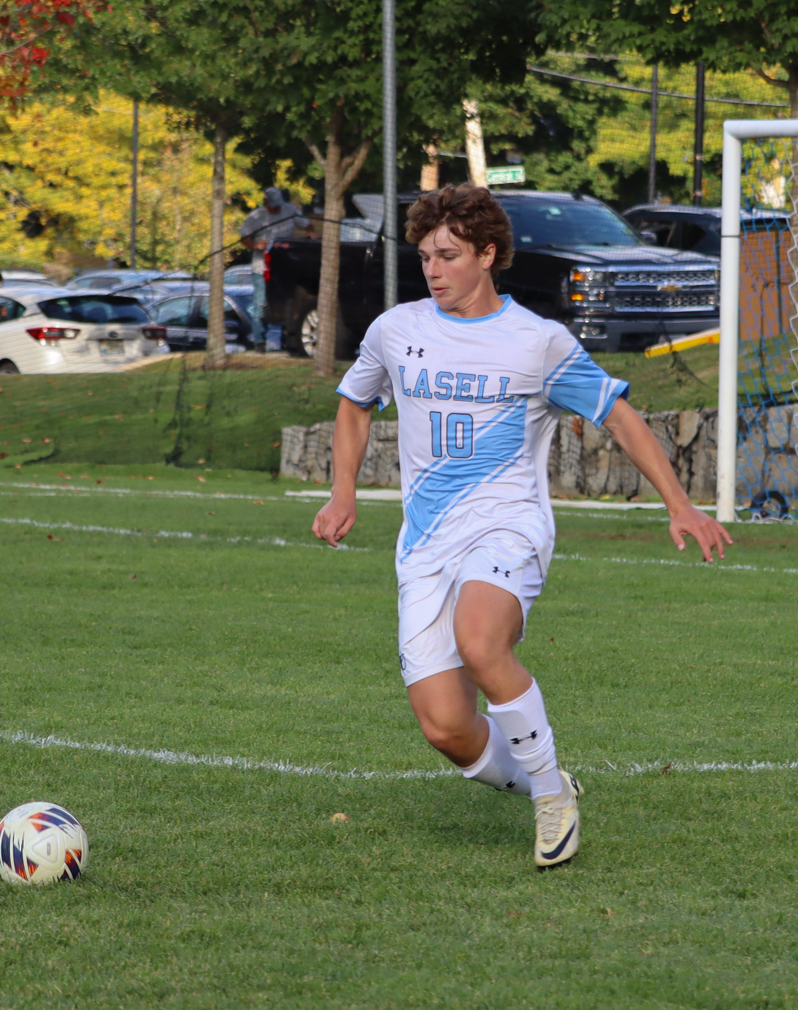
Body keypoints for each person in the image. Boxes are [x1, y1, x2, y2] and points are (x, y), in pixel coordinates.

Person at [313, 184, 733, 868]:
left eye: (448, 255)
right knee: (446, 727)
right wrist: (342, 493)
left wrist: (679, 503)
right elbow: (355, 404)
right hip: (424, 545)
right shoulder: (397, 330)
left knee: (481, 640)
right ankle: (548, 777)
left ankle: (551, 800)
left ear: (488, 254)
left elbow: (619, 414)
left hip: (508, 526)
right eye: (425, 257)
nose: (434, 269)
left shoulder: (538, 343)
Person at [237, 186, 304, 253]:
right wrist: (256, 245)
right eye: (274, 205)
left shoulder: (290, 212)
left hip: (286, 254)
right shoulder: (256, 216)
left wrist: (310, 232)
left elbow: (306, 225)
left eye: (279, 205)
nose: (277, 208)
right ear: (266, 202)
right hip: (263, 257)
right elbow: (244, 237)